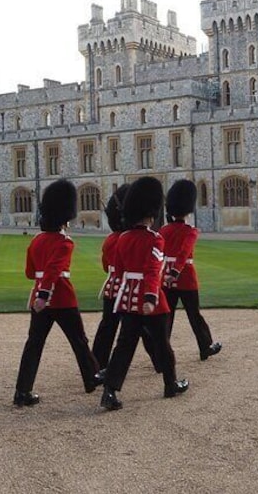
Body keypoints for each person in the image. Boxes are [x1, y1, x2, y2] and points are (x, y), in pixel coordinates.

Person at [100, 176, 189, 411]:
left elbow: (117, 269)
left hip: (128, 298)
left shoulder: (123, 239)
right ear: (151, 214)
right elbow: (152, 271)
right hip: (150, 299)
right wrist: (150, 297)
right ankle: (170, 385)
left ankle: (109, 391)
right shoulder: (155, 239)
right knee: (163, 344)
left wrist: (122, 292)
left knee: (124, 346)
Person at [13, 179, 102, 407]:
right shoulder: (64, 242)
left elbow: (30, 273)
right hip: (61, 297)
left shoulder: (35, 241)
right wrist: (46, 293)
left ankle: (22, 391)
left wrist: (41, 293)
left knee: (34, 344)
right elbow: (54, 269)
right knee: (79, 340)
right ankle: (91, 378)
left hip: (39, 297)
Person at [160, 179, 222, 361]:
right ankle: (205, 347)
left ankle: (162, 352)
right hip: (185, 276)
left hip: (166, 275)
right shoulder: (190, 231)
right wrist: (176, 272)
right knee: (194, 315)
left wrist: (168, 273)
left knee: (167, 317)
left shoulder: (164, 230)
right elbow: (184, 252)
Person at [91, 183, 130, 370]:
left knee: (107, 327)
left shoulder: (110, 240)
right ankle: (161, 363)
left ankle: (98, 362)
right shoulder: (129, 239)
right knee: (145, 330)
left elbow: (106, 267)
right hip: (130, 289)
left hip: (111, 289)